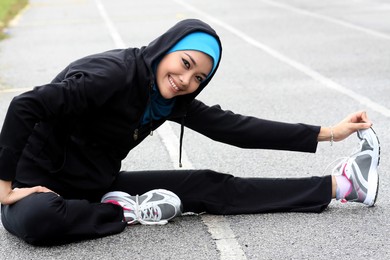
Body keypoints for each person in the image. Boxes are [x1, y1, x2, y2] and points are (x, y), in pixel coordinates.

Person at [0, 18, 380, 246]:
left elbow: (236, 128)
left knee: (207, 183)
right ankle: (122, 212)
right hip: (35, 188)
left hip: (92, 185)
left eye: (198, 77)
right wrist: (6, 186)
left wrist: (330, 132)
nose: (185, 80)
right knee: (38, 219)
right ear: (165, 49)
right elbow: (25, 105)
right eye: (183, 64)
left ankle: (341, 185)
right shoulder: (112, 75)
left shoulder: (167, 99)